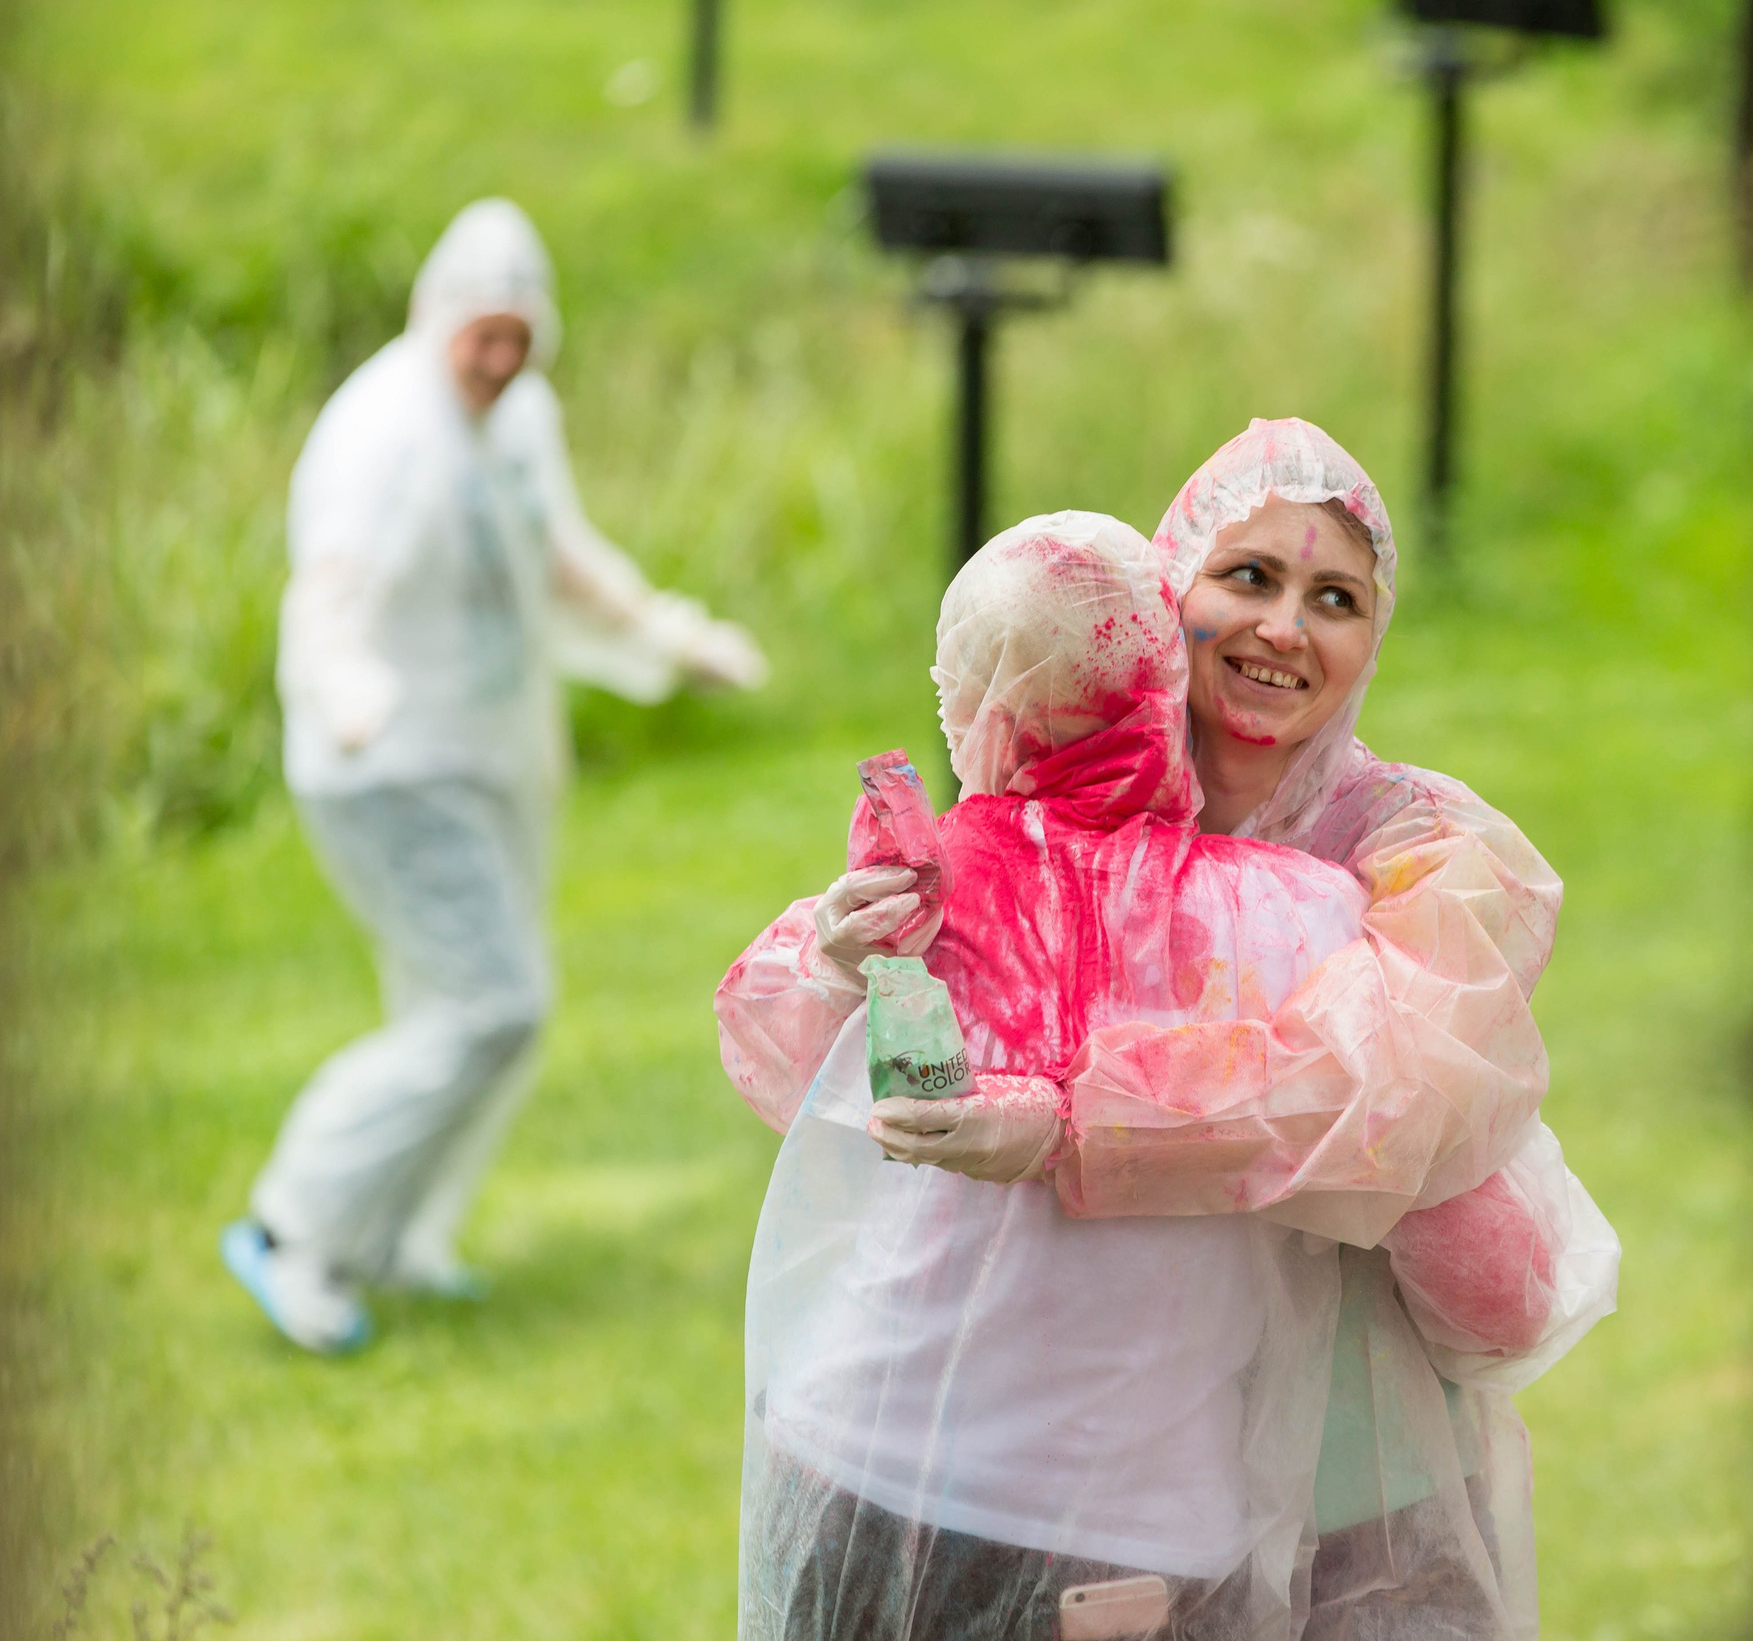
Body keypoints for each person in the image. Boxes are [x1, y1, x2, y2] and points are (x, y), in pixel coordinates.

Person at [722, 419, 1615, 1636]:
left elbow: (1391, 1094)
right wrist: (834, 959)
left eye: (1336, 598)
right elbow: (820, 1090)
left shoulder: (1410, 853)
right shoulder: (1042, 814)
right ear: (1160, 593)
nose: (1284, 629)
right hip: (1083, 1482)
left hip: (1358, 1482)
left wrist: (1075, 1123)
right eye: (1248, 578)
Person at [731, 512, 1371, 1638]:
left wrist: (827, 954)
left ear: (985, 708)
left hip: (856, 1453)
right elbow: (1424, 1189)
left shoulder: (913, 896)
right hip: (1134, 1524)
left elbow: (777, 1074)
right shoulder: (1296, 916)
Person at [222, 198, 767, 1355]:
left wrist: (668, 634)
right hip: (386, 764)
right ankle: (292, 1229)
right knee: (492, 1002)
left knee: (466, 1013)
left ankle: (398, 1239)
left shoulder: (520, 416)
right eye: (484, 339)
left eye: (521, 339)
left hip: (485, 751)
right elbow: (328, 588)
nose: (501, 362)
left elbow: (558, 553)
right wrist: (343, 683)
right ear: (440, 322)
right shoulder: (381, 432)